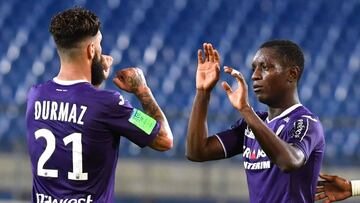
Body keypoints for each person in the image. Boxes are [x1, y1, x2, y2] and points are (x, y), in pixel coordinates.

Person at [26, 7, 173, 203]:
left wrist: (94, 80)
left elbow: (78, 108)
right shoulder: (110, 104)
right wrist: (142, 90)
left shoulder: (35, 95)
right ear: (92, 49)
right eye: (100, 44)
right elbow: (164, 139)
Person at [186, 41, 325, 202]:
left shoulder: (306, 122)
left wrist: (246, 110)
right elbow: (197, 152)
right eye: (254, 68)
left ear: (292, 74)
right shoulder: (251, 125)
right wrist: (203, 92)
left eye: (265, 67)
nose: (255, 75)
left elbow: (289, 161)